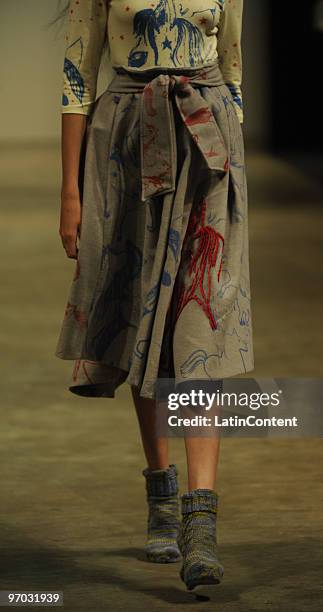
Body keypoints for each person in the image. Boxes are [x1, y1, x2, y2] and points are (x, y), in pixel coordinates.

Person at [55, 0, 254, 591]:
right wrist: (71, 192)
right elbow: (75, 79)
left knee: (199, 321)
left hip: (208, 148)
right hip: (126, 140)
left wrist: (233, 172)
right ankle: (161, 494)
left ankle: (200, 522)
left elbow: (234, 70)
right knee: (147, 322)